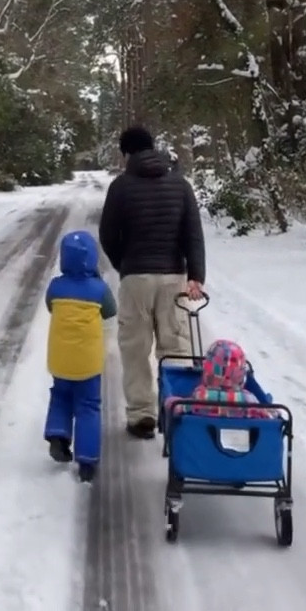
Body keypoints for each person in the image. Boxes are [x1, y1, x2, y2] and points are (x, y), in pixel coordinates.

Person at [98, 125, 206, 439]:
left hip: (136, 278)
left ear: (126, 153)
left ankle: (142, 415)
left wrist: (125, 264)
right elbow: (193, 234)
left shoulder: (120, 187)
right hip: (174, 276)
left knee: (135, 348)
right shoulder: (181, 185)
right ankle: (179, 410)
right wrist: (195, 275)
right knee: (175, 347)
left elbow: (108, 234)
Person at [44, 229, 117, 483]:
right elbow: (110, 311)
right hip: (87, 363)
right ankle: (86, 462)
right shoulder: (99, 289)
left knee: (61, 396)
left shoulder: (56, 286)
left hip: (60, 359)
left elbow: (49, 305)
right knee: (88, 407)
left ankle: (58, 435)